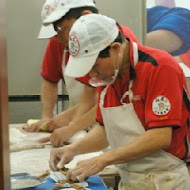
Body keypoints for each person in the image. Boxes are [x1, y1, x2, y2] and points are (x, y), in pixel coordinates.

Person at [49, 14, 190, 189]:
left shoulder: (159, 68)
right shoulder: (109, 76)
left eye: (94, 67)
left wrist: (103, 159)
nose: (92, 75)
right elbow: (104, 131)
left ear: (115, 49)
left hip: (164, 180)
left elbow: (160, 137)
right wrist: (74, 149)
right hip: (129, 179)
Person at [24, 0, 138, 147]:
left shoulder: (115, 42)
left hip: (113, 127)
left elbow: (98, 98)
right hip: (91, 123)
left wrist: (71, 125)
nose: (57, 36)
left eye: (61, 29)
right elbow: (50, 80)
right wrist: (50, 119)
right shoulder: (62, 41)